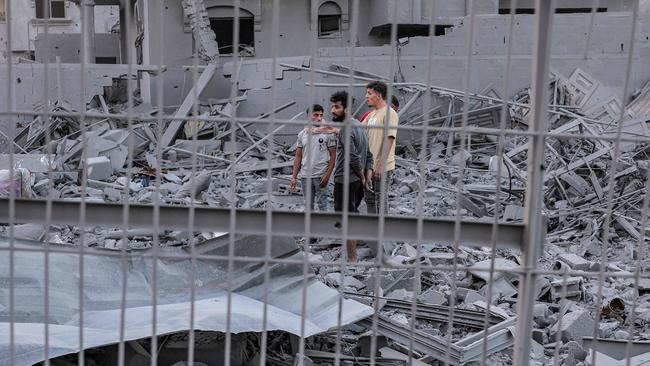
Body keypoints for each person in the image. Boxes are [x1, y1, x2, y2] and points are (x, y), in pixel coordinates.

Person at [330, 91, 374, 262]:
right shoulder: (359, 126)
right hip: (356, 181)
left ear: (346, 109)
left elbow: (353, 156)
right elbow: (369, 155)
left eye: (337, 107)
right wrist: (366, 176)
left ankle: (352, 259)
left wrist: (363, 176)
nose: (333, 111)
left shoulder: (346, 129)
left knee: (345, 219)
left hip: (346, 181)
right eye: (333, 106)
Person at [290, 104, 337, 217]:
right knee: (308, 206)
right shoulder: (302, 134)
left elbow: (333, 156)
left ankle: (323, 232)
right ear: (309, 116)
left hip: (320, 176)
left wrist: (327, 175)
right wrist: (294, 176)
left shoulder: (328, 133)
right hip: (305, 176)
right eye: (316, 115)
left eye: (321, 115)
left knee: (322, 206)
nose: (319, 118)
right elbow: (298, 156)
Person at [364, 81, 399, 215]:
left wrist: (380, 165)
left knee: (380, 199)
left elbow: (389, 138)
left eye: (369, 93)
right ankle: (372, 232)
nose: (366, 96)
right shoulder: (372, 114)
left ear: (378, 95)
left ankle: (383, 232)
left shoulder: (389, 113)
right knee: (370, 199)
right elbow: (356, 130)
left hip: (381, 166)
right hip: (369, 166)